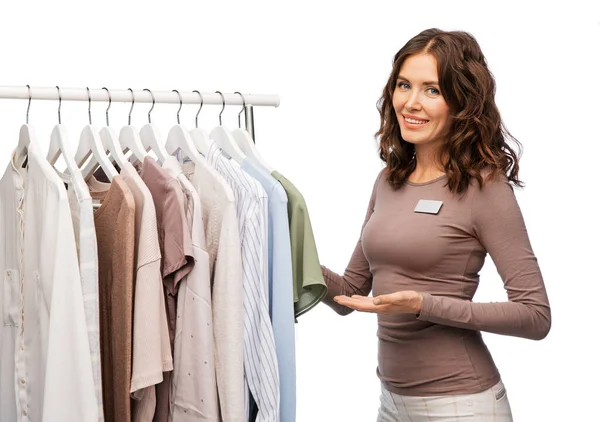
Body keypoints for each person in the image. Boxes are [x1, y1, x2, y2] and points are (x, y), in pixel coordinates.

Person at [319, 28, 551, 422]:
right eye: (404, 85)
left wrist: (423, 305)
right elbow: (353, 292)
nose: (410, 102)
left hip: (462, 406)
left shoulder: (485, 187)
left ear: (462, 102)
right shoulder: (388, 180)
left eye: (432, 90)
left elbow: (535, 316)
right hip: (391, 403)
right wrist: (287, 250)